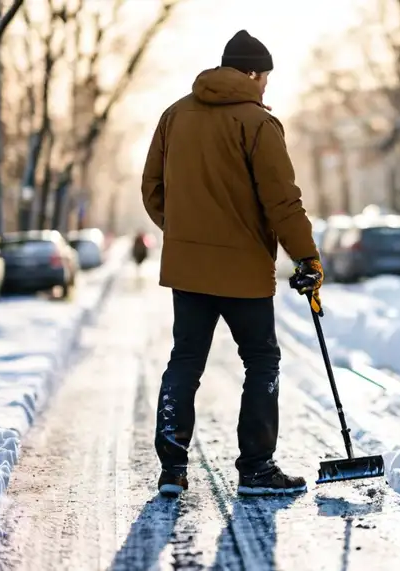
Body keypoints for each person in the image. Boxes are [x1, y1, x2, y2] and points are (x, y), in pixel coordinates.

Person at [140, 29, 324, 498]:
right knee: (262, 361)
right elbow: (282, 201)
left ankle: (172, 469)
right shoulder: (259, 124)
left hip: (189, 269)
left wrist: (186, 233)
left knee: (185, 361)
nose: (265, 85)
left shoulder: (174, 116)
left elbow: (153, 190)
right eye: (264, 76)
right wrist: (306, 256)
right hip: (244, 272)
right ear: (251, 73)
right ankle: (257, 468)